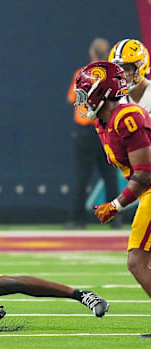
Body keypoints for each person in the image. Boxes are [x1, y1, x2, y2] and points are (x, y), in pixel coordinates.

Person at [73, 61, 151, 297]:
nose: (81, 101)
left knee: (136, 261)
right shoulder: (103, 122)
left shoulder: (127, 117)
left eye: (86, 94)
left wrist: (116, 205)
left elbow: (146, 172)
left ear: (102, 94)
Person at [66, 38, 121, 229]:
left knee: (82, 177)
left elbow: (73, 98)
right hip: (106, 131)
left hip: (86, 132)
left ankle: (78, 219)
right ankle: (115, 220)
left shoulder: (82, 74)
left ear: (91, 54)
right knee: (110, 177)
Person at [109, 39, 151, 110]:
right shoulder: (118, 103)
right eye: (117, 69)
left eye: (127, 69)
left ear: (141, 67)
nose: (122, 75)